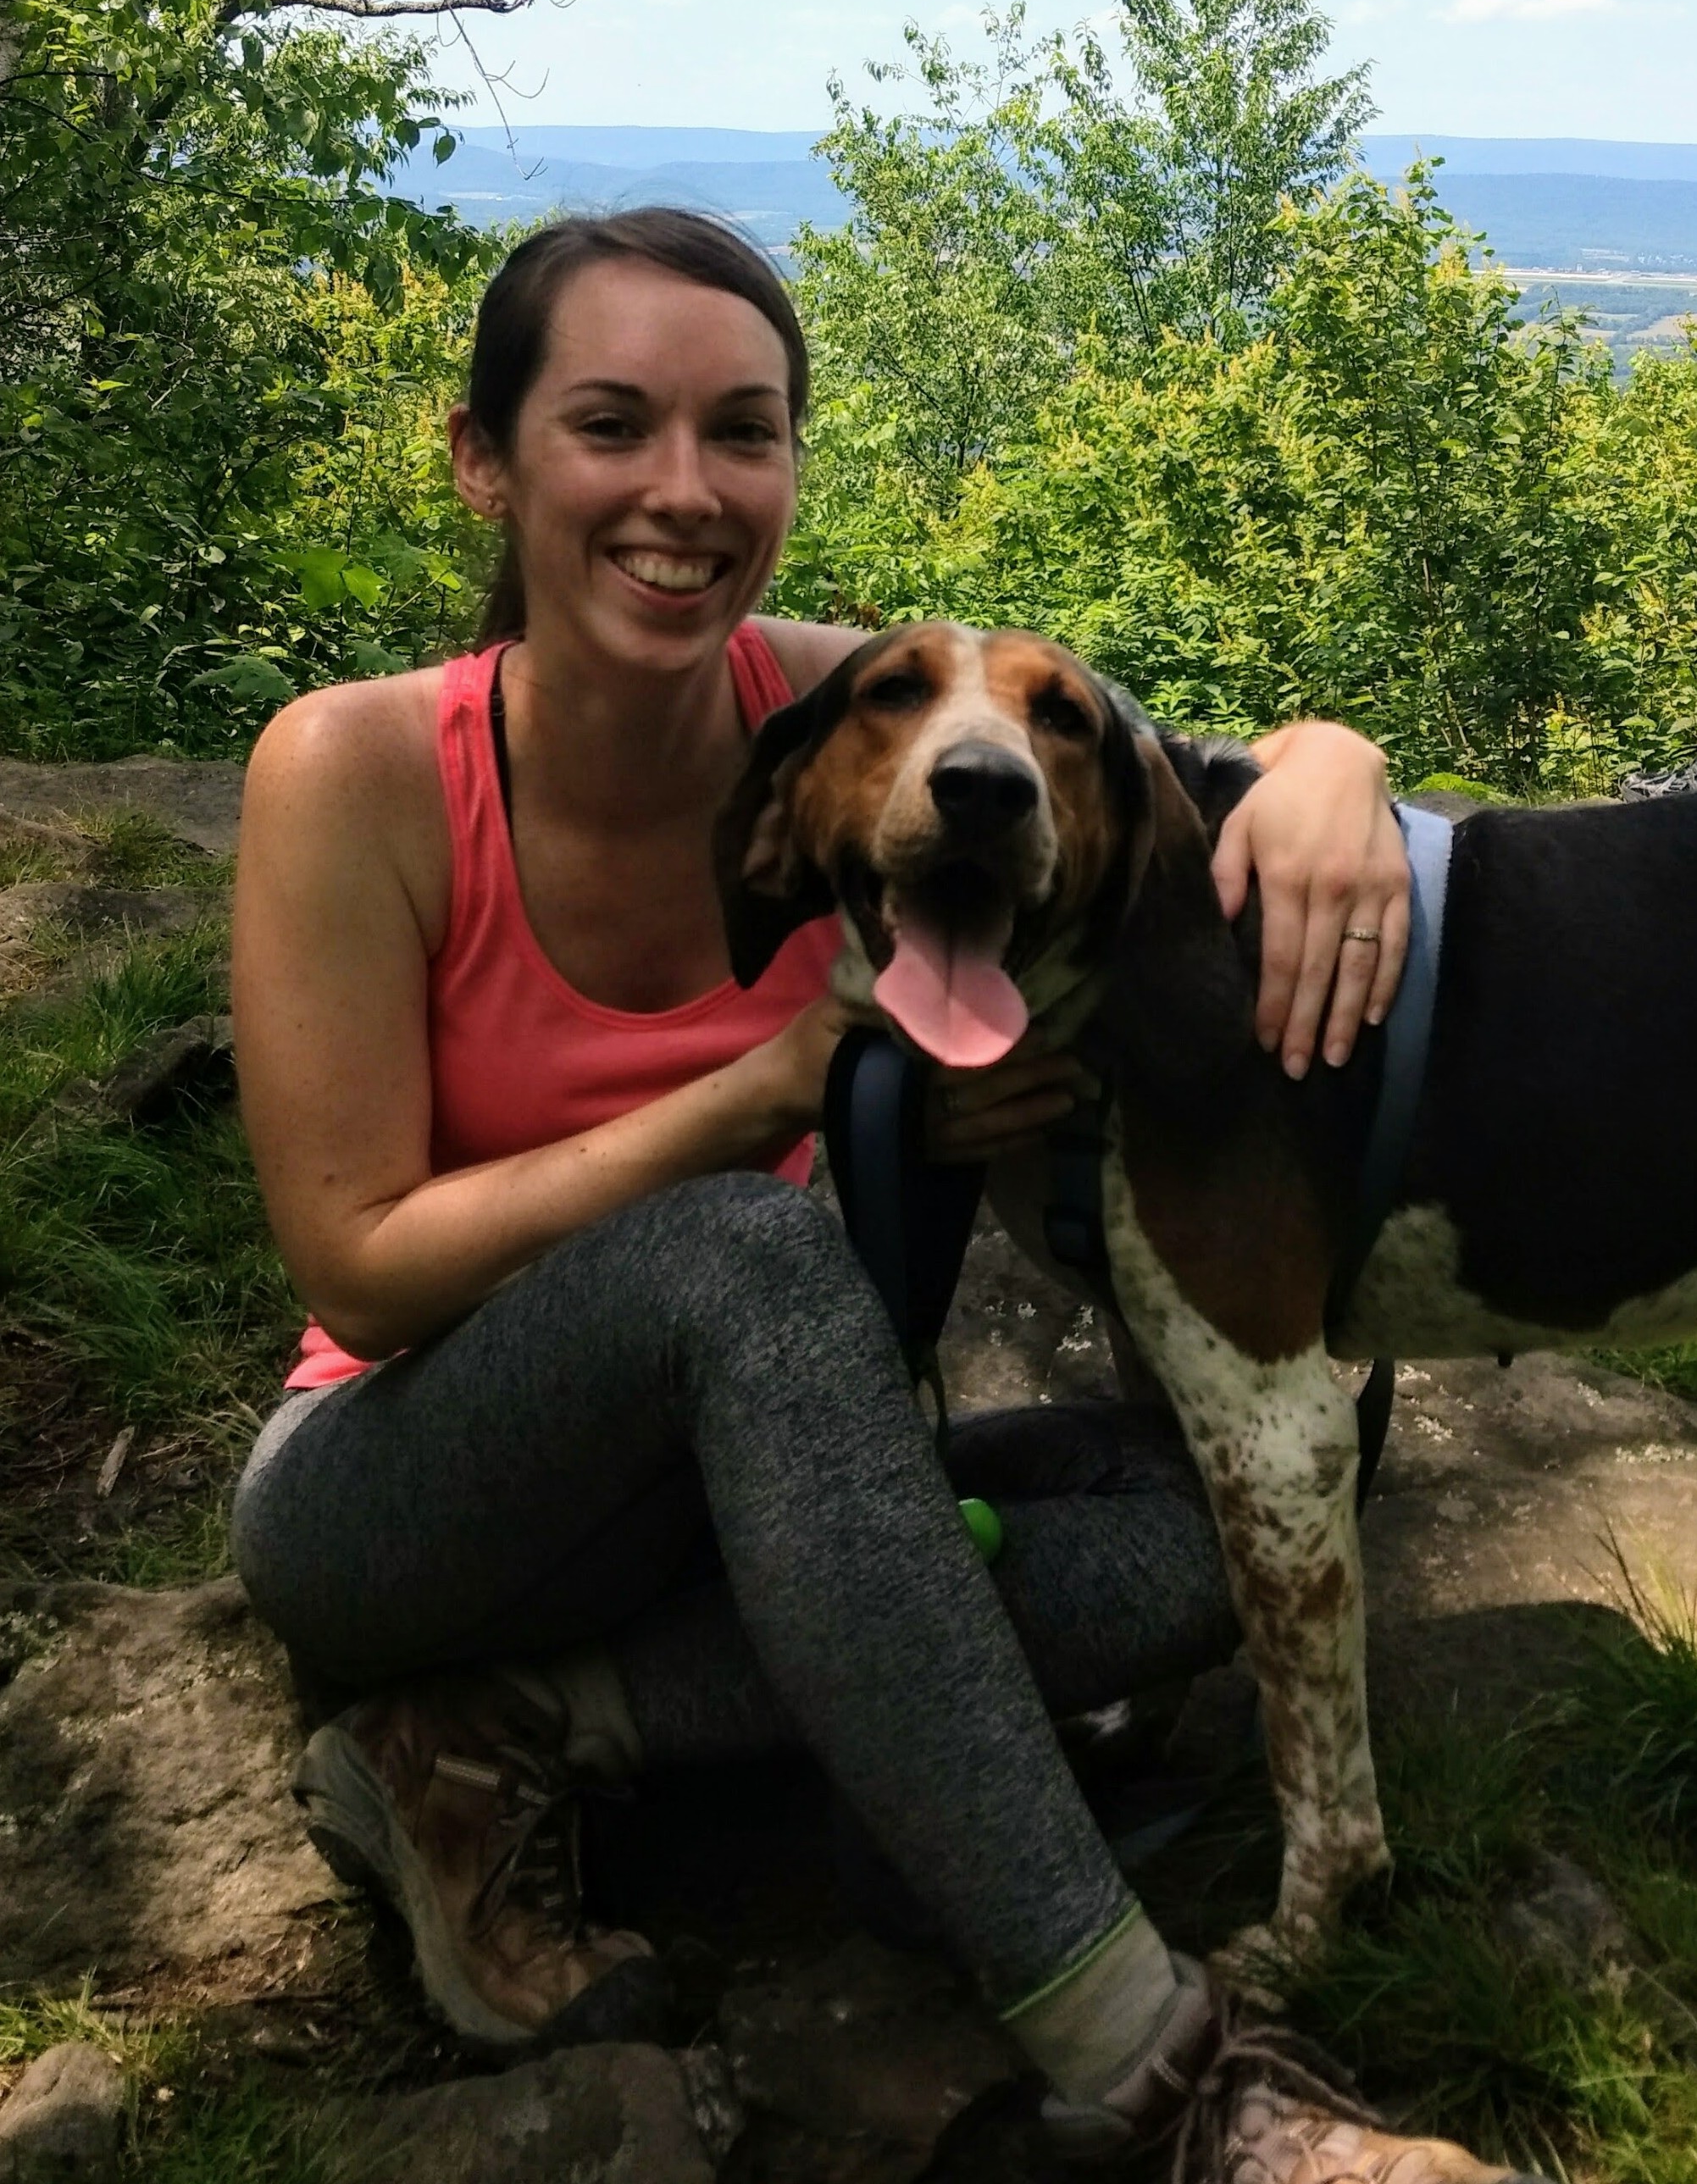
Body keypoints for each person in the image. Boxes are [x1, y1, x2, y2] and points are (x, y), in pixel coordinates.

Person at [229, 210, 1533, 2180]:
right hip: (400, 1490)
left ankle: (518, 1725)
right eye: (612, 424)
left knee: (1242, 1515)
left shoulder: (867, 717)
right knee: (755, 1257)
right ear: (485, 459)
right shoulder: (355, 772)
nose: (685, 489)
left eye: (742, 432)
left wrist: (1335, 763)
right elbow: (359, 1261)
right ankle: (1157, 2053)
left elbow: (1155, 763)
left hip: (749, 1488)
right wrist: (760, 1087)